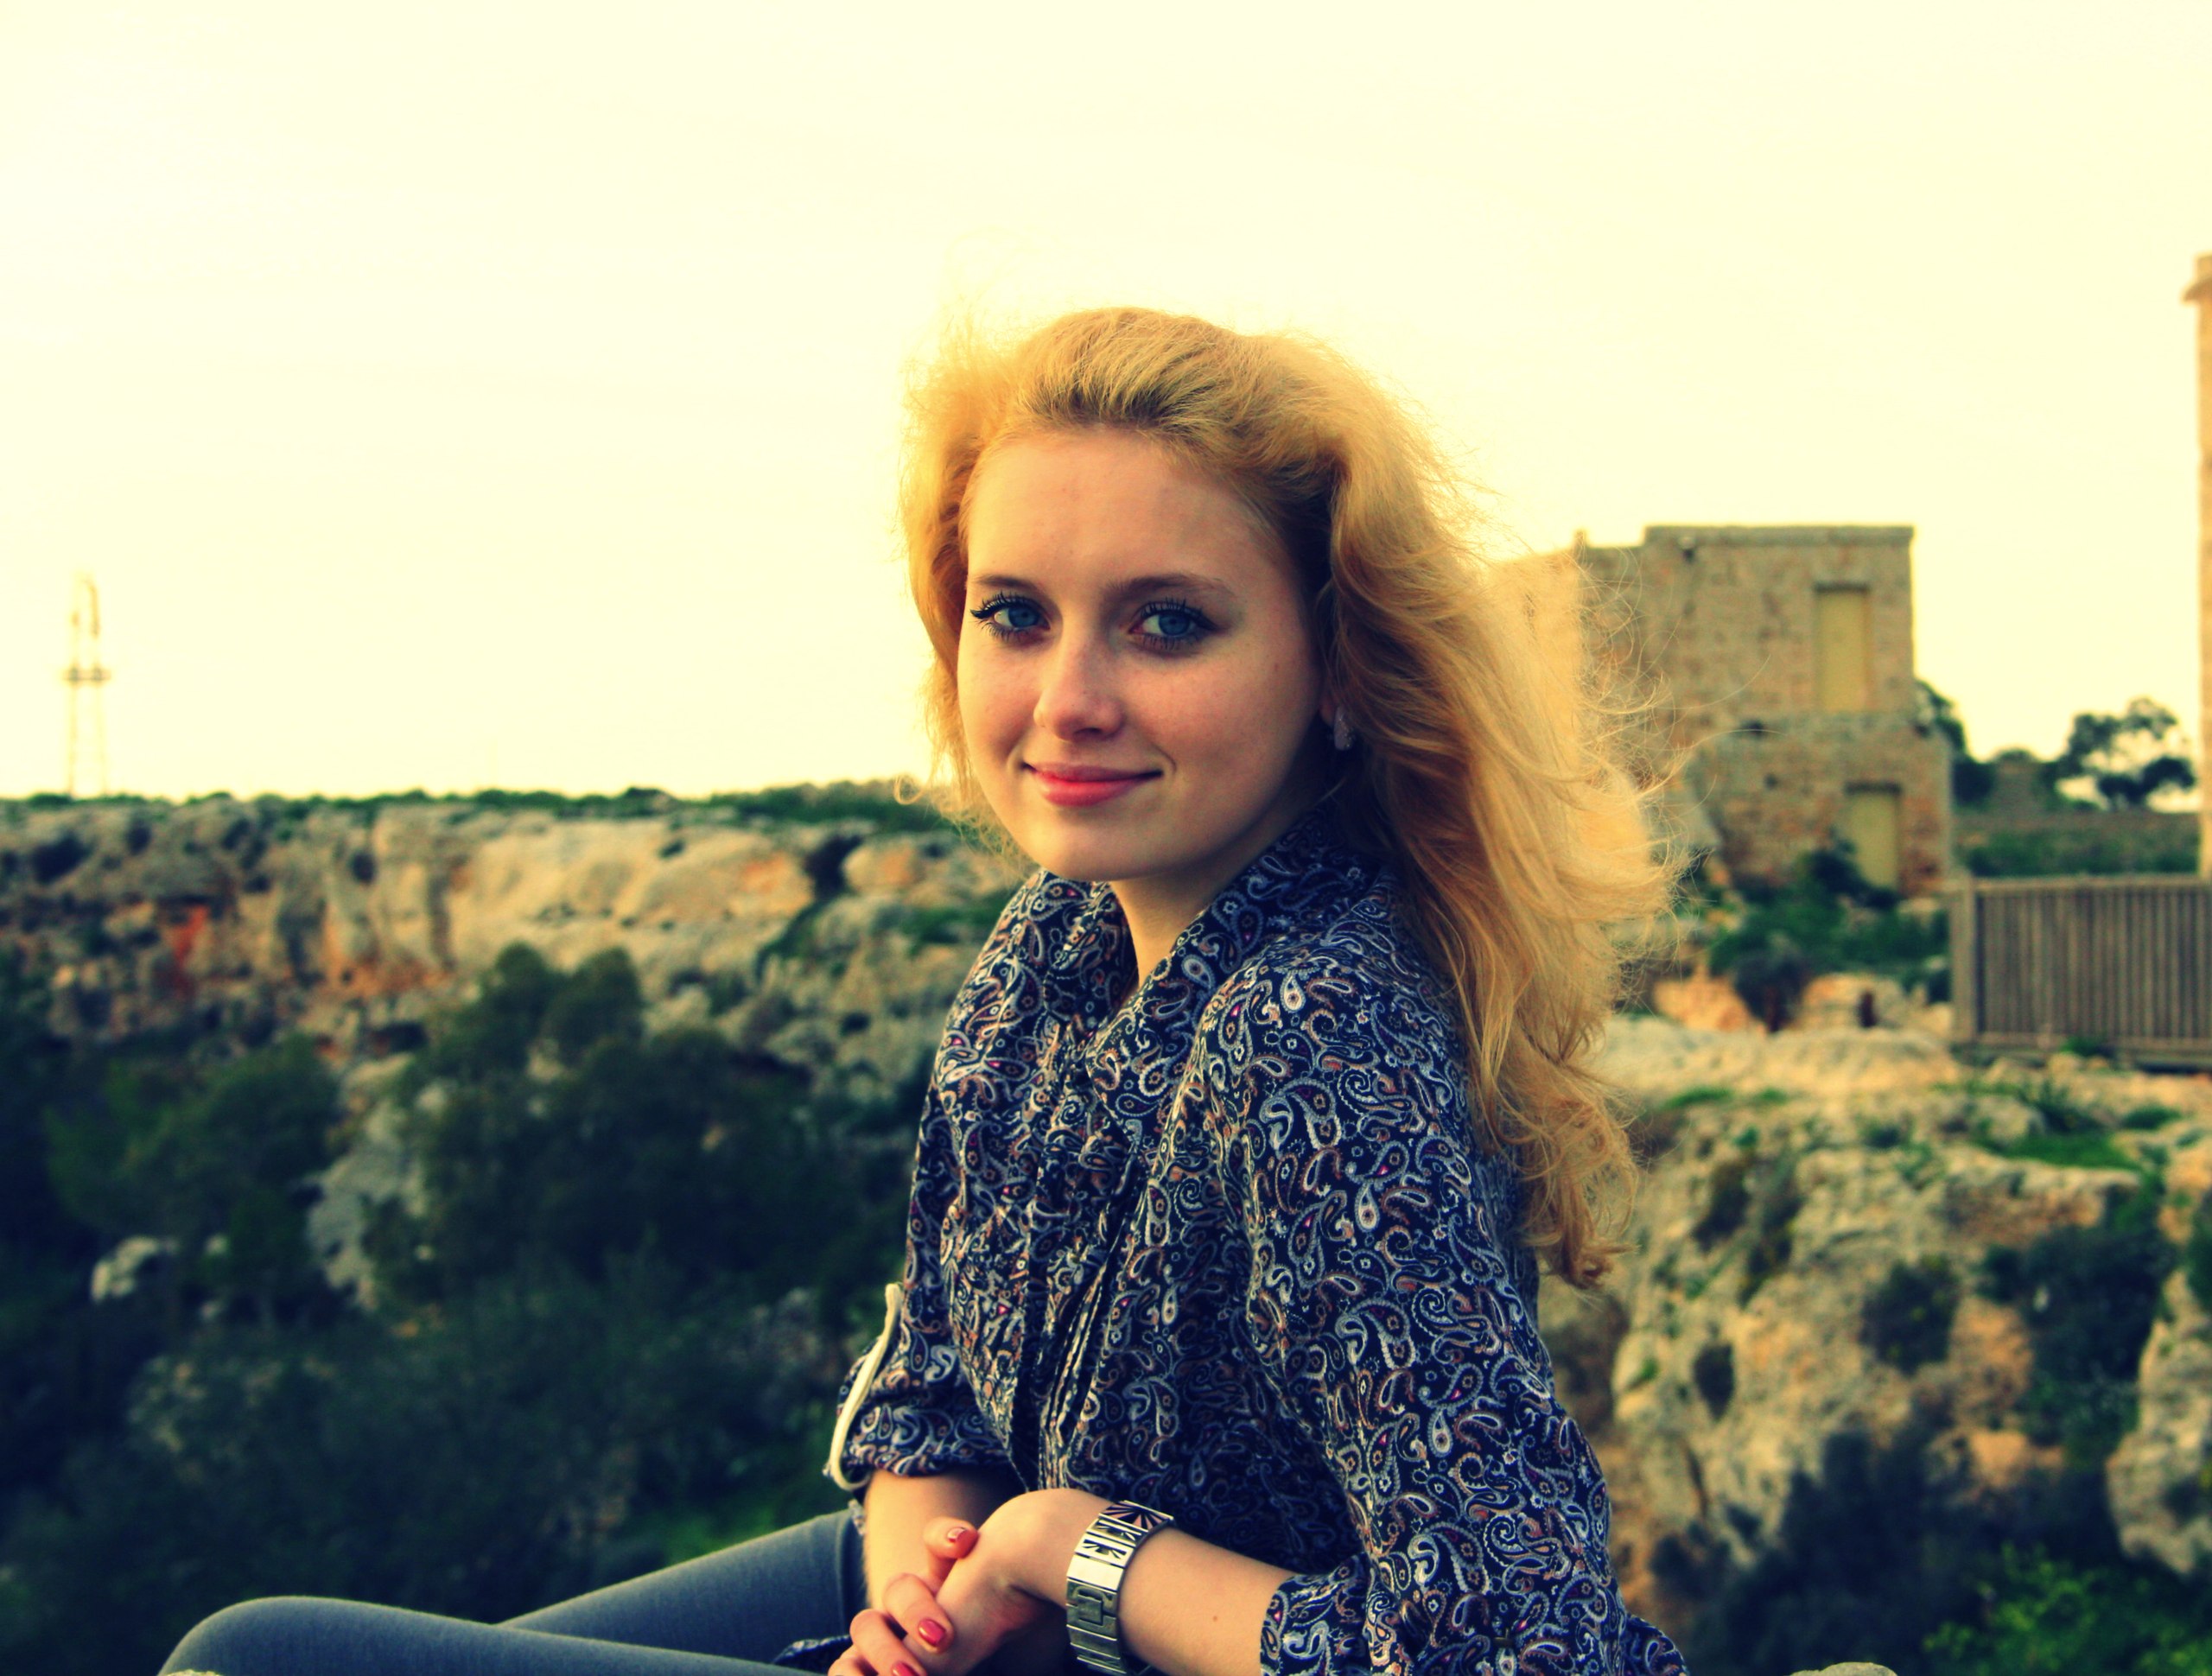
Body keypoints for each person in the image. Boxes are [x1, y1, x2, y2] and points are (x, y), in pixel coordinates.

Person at [159, 306, 1690, 1676]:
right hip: (993, 1621)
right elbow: (936, 1388)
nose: (1067, 701)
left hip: (1128, 1642)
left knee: (255, 1661)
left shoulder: (1312, 1032)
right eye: (1014, 613)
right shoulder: (1051, 949)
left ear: (1339, 667)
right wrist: (918, 1612)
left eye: (1167, 622)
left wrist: (1075, 1555)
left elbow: (1522, 1646)